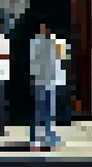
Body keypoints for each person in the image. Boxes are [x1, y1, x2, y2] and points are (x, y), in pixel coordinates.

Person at [29, 20, 68, 150]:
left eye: (44, 28)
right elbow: (34, 61)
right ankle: (37, 137)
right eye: (41, 28)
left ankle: (48, 136)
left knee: (48, 111)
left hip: (49, 80)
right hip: (42, 79)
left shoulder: (54, 42)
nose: (43, 30)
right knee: (41, 110)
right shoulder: (37, 42)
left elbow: (62, 57)